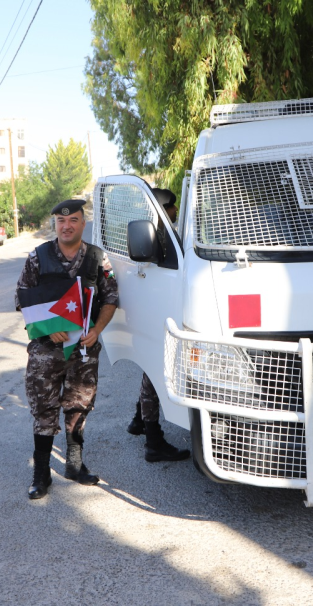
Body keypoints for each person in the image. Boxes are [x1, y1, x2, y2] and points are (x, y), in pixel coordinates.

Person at [16, 199, 119, 500]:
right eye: (61, 221)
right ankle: (41, 473)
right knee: (44, 408)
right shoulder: (38, 257)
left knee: (79, 405)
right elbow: (22, 297)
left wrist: (97, 330)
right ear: (55, 225)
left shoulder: (98, 258)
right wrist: (48, 327)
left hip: (83, 350)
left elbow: (111, 298)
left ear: (83, 224)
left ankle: (74, 464)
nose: (66, 226)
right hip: (46, 349)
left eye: (73, 220)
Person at [126, 187, 190, 462]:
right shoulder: (164, 237)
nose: (176, 211)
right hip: (161, 313)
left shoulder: (153, 234)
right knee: (155, 374)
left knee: (150, 370)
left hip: (152, 311)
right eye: (173, 206)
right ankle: (153, 441)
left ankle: (139, 420)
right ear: (167, 209)